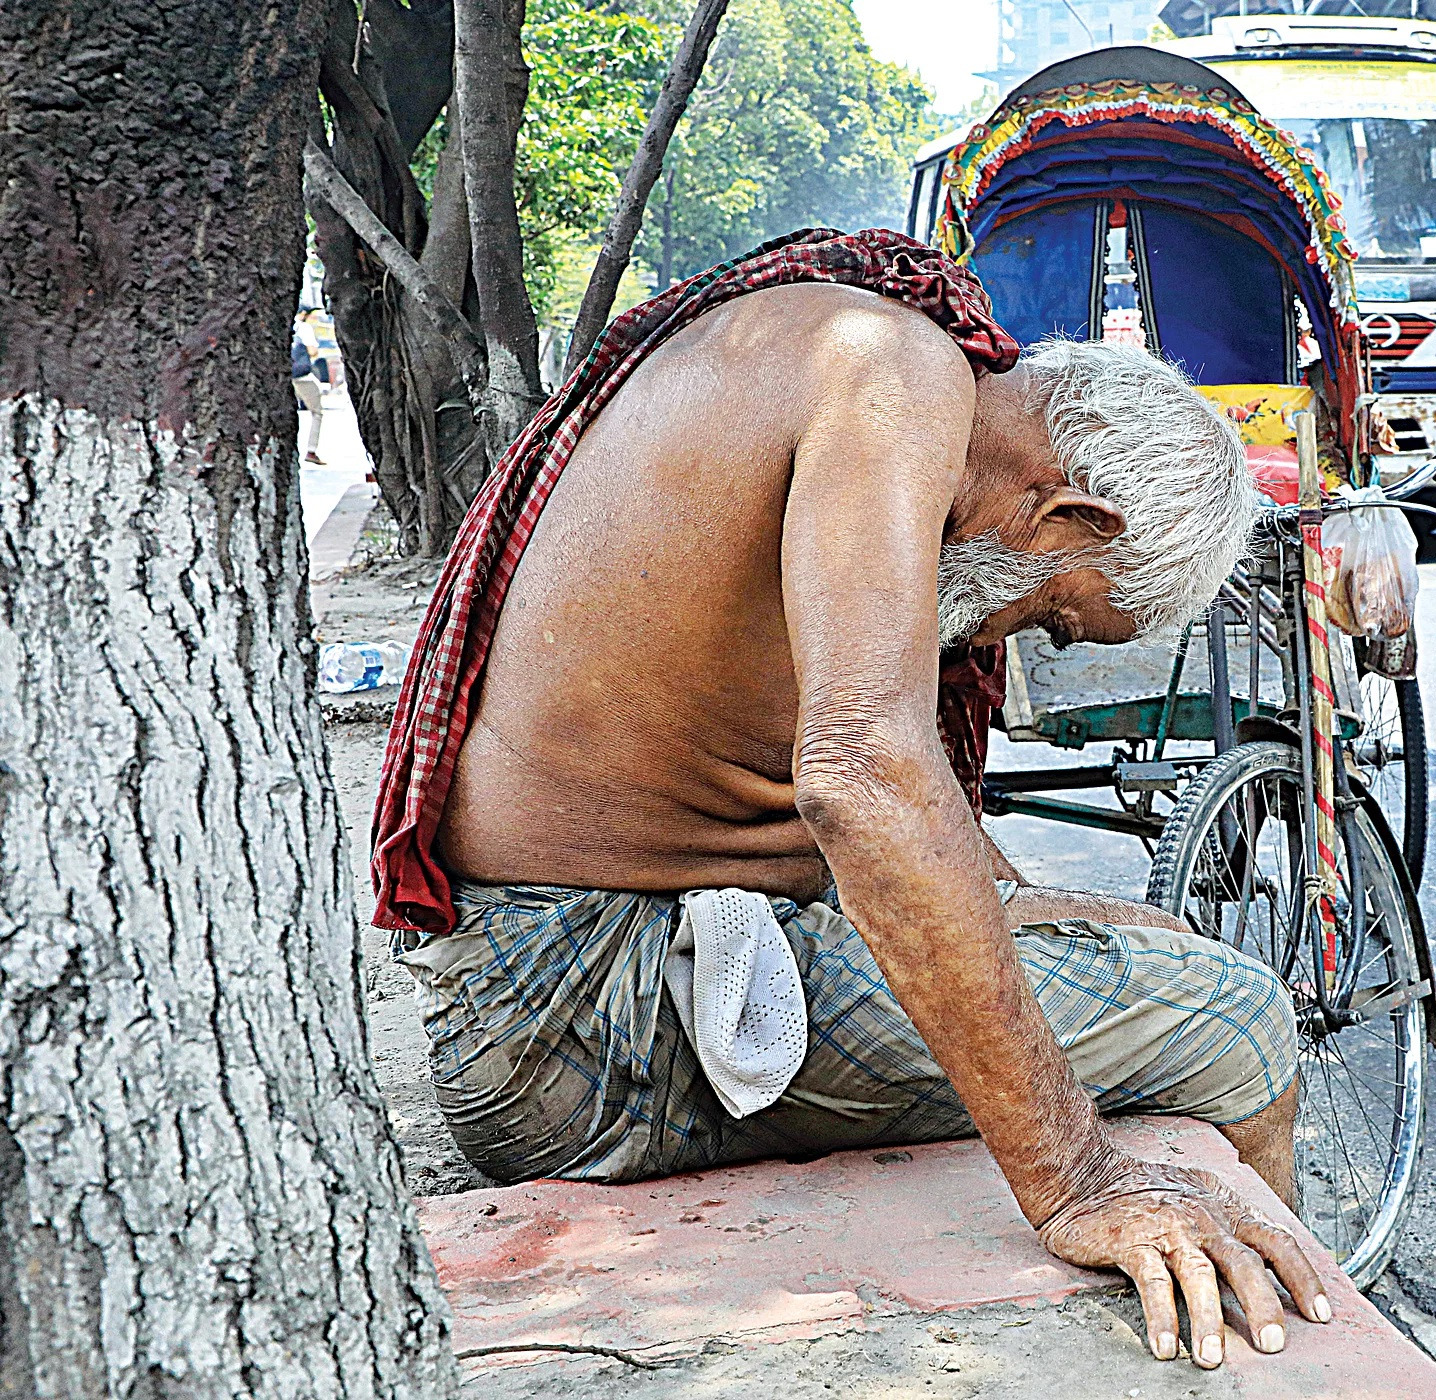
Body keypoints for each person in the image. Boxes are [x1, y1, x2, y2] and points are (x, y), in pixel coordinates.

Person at [368, 228, 1329, 1371]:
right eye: (1057, 617)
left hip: (544, 987)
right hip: (573, 1017)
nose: (1011, 633)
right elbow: (864, 776)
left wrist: (1066, 918)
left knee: (1139, 940)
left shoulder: (859, 356)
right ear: (1067, 519)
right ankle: (1298, 1361)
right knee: (1240, 1019)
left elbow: (890, 804)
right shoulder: (893, 378)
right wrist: (1079, 1176)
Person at [291, 309, 326, 464]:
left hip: (286, 376)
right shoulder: (304, 328)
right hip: (303, 377)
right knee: (317, 412)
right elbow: (312, 350)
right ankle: (311, 450)